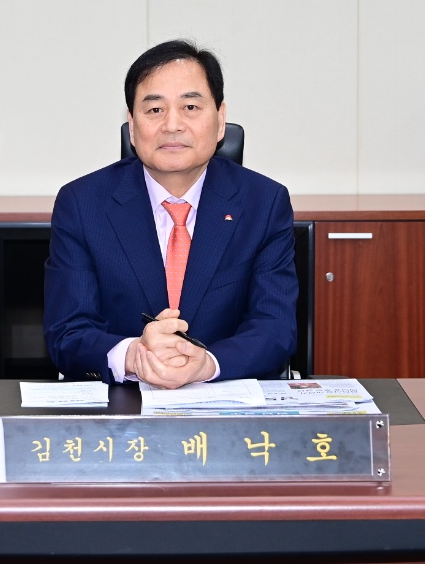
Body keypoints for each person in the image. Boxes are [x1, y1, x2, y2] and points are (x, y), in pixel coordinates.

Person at [43, 39, 298, 388]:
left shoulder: (263, 203)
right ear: (132, 125)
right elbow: (67, 332)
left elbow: (275, 327)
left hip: (225, 398)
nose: (172, 125)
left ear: (220, 120)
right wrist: (132, 355)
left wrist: (208, 364)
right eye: (154, 110)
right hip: (124, 401)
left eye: (190, 107)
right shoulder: (83, 204)